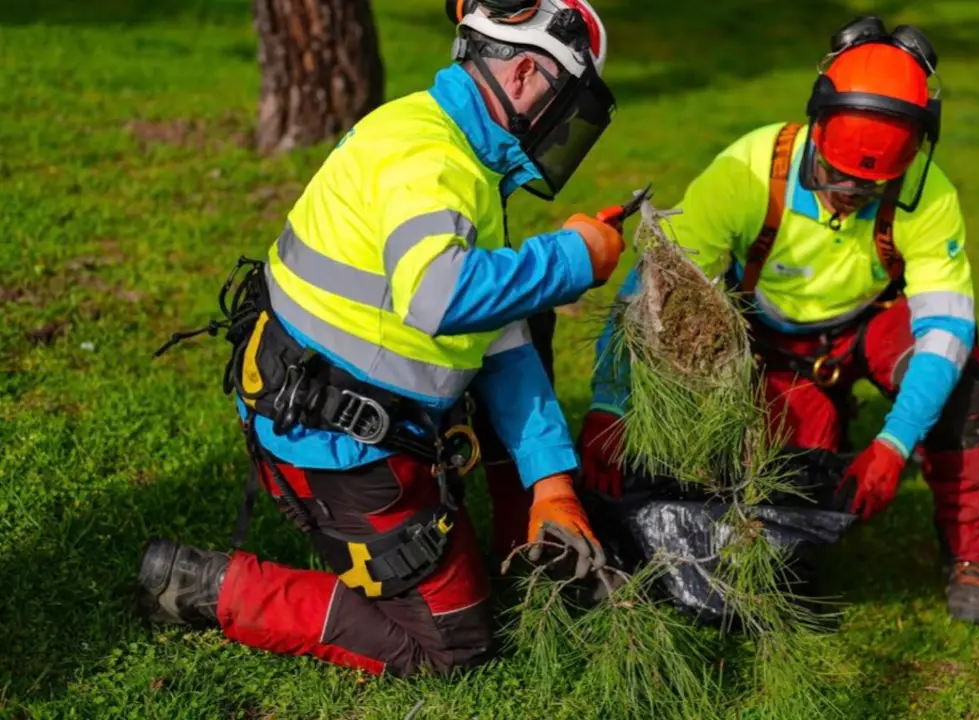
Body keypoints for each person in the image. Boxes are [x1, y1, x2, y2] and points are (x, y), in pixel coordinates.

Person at [137, 0, 629, 676]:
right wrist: (571, 260)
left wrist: (553, 483)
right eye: (564, 102)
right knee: (452, 647)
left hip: (356, 415)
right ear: (522, 75)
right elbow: (441, 296)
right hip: (336, 447)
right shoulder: (432, 159)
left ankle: (529, 538)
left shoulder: (455, 145)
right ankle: (217, 586)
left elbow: (502, 336)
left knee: (525, 304)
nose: (560, 126)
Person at [578, 17, 979, 625]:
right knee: (789, 477)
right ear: (817, 122)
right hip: (766, 340)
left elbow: (946, 330)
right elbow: (651, 294)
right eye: (834, 180)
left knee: (959, 384)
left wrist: (896, 442)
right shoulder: (749, 172)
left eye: (867, 191)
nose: (847, 198)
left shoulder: (928, 194)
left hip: (871, 324)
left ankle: (974, 555)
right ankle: (821, 422)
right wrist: (611, 403)